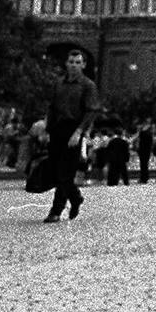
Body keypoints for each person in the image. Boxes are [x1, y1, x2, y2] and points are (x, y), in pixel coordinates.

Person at [44, 48, 101, 222]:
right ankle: (76, 198)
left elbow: (91, 111)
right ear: (66, 63)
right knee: (55, 171)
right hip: (57, 129)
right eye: (71, 62)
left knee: (65, 172)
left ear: (83, 65)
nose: (74, 65)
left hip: (73, 130)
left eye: (78, 62)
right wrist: (47, 130)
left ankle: (56, 211)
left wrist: (78, 132)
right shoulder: (59, 83)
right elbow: (52, 108)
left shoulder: (88, 85)